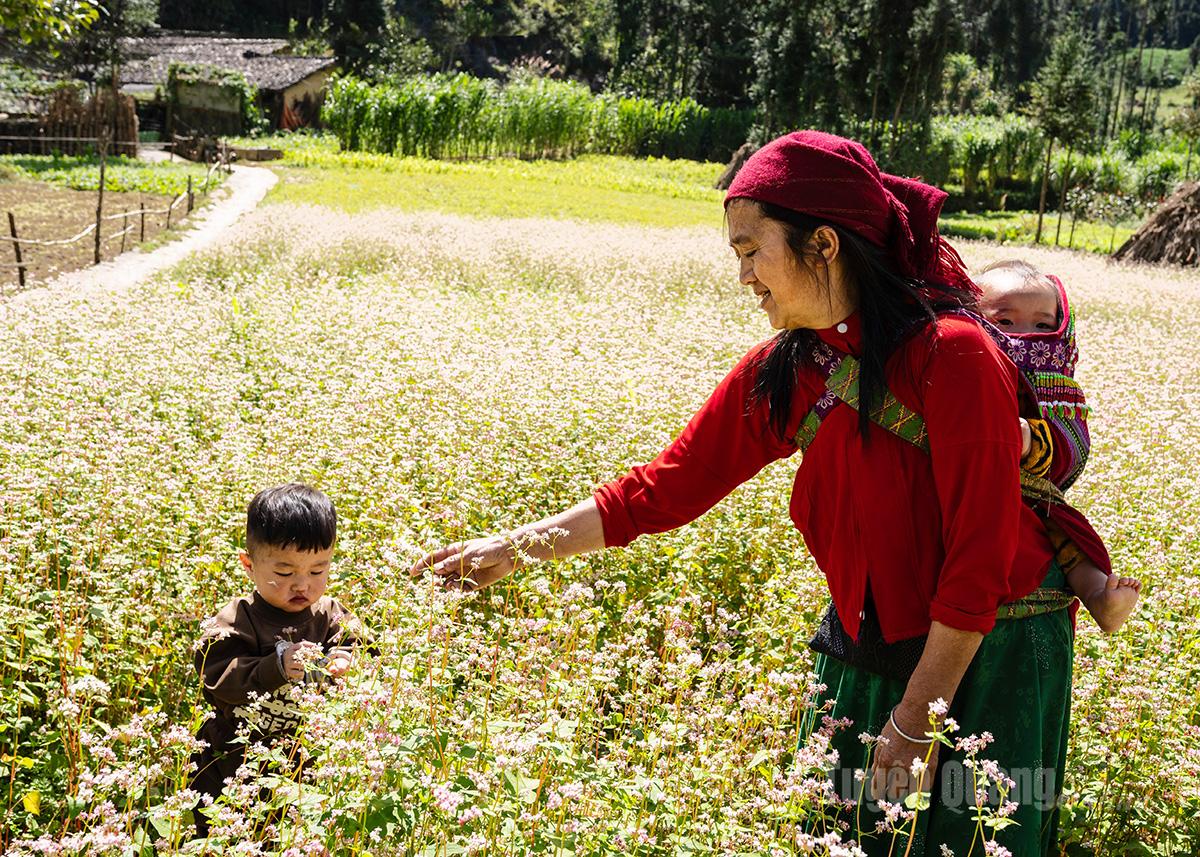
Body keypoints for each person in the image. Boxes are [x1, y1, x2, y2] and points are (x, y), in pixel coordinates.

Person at [412, 130, 1076, 855]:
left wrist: (919, 717)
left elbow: (977, 561)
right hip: (867, 642)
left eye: (750, 250)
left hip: (987, 655)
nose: (744, 276)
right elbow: (660, 491)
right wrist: (512, 549)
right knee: (838, 836)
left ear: (822, 244)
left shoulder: (956, 355)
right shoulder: (792, 367)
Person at [977, 259, 1140, 633]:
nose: (1025, 336)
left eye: (1042, 325)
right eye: (1004, 321)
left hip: (1035, 500)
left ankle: (1100, 598)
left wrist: (1032, 442)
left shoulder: (1058, 382)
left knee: (1067, 538)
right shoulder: (962, 363)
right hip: (968, 492)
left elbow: (1074, 448)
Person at [191, 483, 362, 837]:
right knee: (223, 837)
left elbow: (359, 643)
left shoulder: (328, 613)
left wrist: (346, 659)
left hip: (307, 760)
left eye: (318, 570)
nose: (303, 585)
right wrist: (276, 667)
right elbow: (217, 676)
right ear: (249, 565)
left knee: (295, 836)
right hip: (231, 760)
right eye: (284, 572)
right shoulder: (239, 617)